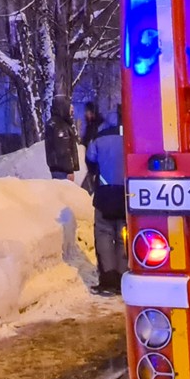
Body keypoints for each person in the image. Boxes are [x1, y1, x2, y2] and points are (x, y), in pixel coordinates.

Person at [85, 107, 126, 295]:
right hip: (130, 194)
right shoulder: (138, 137)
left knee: (103, 234)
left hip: (104, 193)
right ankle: (124, 276)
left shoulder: (101, 137)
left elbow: (90, 160)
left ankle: (108, 278)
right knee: (124, 235)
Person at [43, 98, 80, 181]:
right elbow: (63, 150)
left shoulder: (57, 123)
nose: (72, 112)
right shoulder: (60, 126)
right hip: (63, 171)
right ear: (64, 109)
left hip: (58, 169)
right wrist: (69, 170)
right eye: (70, 109)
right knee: (64, 192)